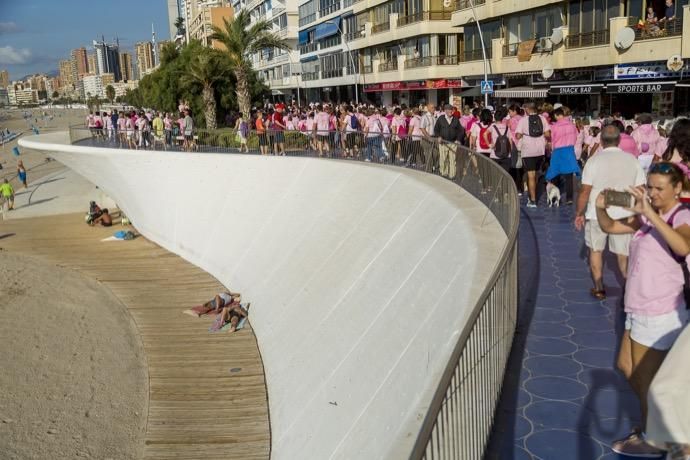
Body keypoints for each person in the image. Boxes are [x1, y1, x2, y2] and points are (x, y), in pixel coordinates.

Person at [595, 162, 689, 458]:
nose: (653, 193)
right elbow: (609, 227)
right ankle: (667, 424)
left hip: (660, 311)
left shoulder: (681, 215)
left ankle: (656, 437)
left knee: (648, 379)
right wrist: (601, 207)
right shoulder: (647, 218)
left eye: (660, 188)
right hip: (636, 308)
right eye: (650, 187)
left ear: (678, 188)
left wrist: (649, 213)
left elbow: (684, 246)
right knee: (627, 368)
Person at [575, 125, 646, 299]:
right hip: (624, 214)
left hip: (597, 213)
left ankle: (599, 287)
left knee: (596, 250)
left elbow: (585, 190)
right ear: (619, 140)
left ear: (601, 141)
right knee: (623, 254)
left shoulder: (594, 161)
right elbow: (641, 189)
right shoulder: (631, 160)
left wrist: (579, 213)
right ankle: (629, 289)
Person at [515, 102, 550, 207]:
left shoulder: (523, 120)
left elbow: (517, 136)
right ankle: (534, 194)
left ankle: (533, 200)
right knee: (536, 174)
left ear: (527, 109)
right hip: (540, 150)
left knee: (531, 175)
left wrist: (522, 134)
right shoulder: (543, 119)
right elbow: (548, 134)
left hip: (528, 151)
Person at [545, 107, 581, 204]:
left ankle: (555, 197)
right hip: (569, 150)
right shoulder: (572, 125)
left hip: (558, 151)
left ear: (557, 115)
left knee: (555, 173)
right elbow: (575, 137)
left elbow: (552, 139)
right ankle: (569, 198)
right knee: (569, 175)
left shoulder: (555, 126)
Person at [434, 104, 465, 179]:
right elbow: (436, 129)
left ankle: (452, 175)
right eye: (449, 109)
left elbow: (461, 131)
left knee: (452, 159)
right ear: (445, 111)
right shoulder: (440, 119)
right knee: (443, 159)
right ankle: (444, 173)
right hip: (443, 142)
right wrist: (438, 136)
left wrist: (458, 139)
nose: (451, 111)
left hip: (453, 143)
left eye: (452, 110)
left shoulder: (456, 119)